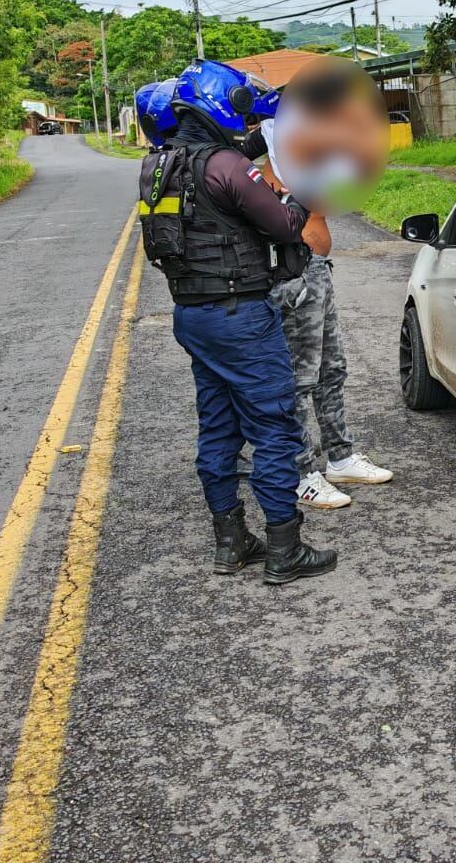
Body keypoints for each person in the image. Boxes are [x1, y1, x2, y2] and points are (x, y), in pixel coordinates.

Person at [137, 59, 336, 585]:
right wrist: (302, 192)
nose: (247, 121)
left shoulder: (162, 163)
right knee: (274, 427)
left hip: (193, 316)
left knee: (218, 426)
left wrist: (258, 144)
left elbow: (218, 179)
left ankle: (230, 542)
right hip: (241, 316)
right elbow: (285, 224)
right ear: (222, 103)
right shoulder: (225, 166)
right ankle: (284, 548)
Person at [241, 66, 393, 511]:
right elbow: (232, 160)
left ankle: (340, 457)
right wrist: (274, 191)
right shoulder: (273, 133)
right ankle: (300, 471)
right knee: (300, 377)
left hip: (318, 270)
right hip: (291, 273)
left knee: (332, 368)